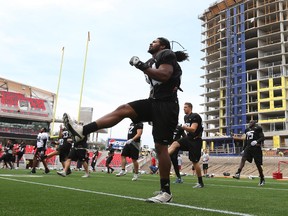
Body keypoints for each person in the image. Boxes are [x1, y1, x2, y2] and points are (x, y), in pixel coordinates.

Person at [62, 37, 188, 203]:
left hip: (167, 106)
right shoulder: (154, 59)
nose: (151, 43)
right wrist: (144, 66)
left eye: (155, 41)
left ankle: (166, 192)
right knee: (124, 109)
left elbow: (165, 75)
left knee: (161, 147)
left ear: (163, 45)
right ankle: (82, 131)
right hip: (155, 102)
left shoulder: (166, 53)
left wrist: (140, 65)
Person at [168, 102, 204, 188]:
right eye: (183, 107)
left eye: (185, 107)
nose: (184, 109)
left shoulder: (195, 116)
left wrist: (184, 127)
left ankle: (200, 182)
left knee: (194, 162)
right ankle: (163, 156)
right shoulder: (185, 117)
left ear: (190, 108)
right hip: (188, 138)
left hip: (196, 141)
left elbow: (193, 129)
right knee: (175, 143)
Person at [233, 120, 265, 186]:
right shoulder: (247, 130)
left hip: (256, 148)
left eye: (251, 122)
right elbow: (246, 140)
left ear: (254, 123)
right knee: (243, 158)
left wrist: (257, 141)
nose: (249, 123)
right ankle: (238, 173)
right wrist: (243, 149)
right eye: (249, 122)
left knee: (258, 165)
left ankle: (262, 178)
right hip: (248, 148)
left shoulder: (258, 128)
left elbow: (262, 137)